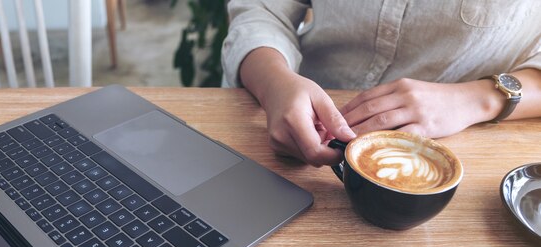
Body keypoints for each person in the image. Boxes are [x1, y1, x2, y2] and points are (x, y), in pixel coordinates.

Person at [221, 0, 541, 167]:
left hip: (460, 145)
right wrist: (274, 82)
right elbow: (260, 9)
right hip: (279, 119)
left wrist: (481, 98)